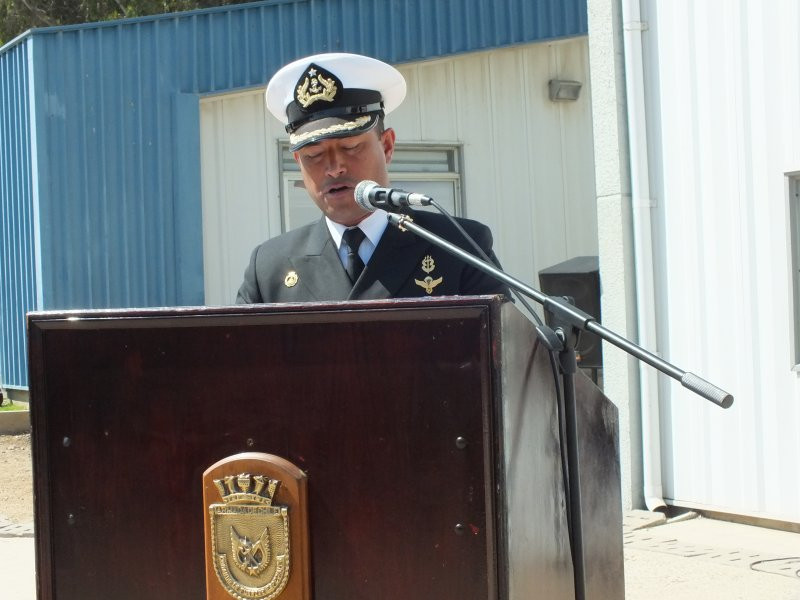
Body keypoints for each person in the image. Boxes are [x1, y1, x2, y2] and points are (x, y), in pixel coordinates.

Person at [236, 52, 508, 304]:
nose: (334, 168)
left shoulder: (459, 247)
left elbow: (505, 350)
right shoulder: (270, 268)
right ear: (298, 163)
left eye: (351, 148)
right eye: (314, 155)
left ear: (387, 146)